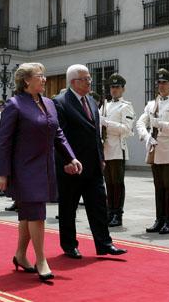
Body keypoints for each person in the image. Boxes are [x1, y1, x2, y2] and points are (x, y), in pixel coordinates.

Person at [0, 62, 81, 282]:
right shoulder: (14, 104)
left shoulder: (49, 104)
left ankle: (20, 255)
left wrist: (71, 156)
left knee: (28, 214)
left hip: (45, 167)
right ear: (26, 80)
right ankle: (41, 259)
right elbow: (3, 141)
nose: (44, 79)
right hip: (24, 169)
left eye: (43, 76)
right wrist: (2, 173)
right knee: (37, 214)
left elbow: (58, 133)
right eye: (39, 76)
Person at [54, 64, 128, 256]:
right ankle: (69, 245)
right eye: (85, 79)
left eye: (89, 78)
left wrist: (101, 157)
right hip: (72, 165)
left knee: (98, 205)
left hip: (94, 165)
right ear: (73, 82)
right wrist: (66, 161)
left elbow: (96, 134)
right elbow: (57, 136)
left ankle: (104, 243)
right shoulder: (60, 102)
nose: (89, 82)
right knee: (69, 207)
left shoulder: (92, 102)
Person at [136, 68, 169, 235]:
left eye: (165, 82)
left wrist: (161, 124)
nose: (161, 85)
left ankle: (168, 221)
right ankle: (159, 219)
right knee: (158, 187)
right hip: (155, 151)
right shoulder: (151, 104)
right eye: (159, 82)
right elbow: (140, 123)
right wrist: (146, 136)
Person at [100, 73, 135, 227]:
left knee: (117, 183)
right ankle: (109, 212)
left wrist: (107, 123)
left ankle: (117, 214)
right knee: (108, 183)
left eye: (117, 87)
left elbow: (127, 129)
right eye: (112, 87)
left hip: (117, 149)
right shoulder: (105, 105)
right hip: (105, 149)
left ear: (123, 89)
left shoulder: (125, 106)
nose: (114, 90)